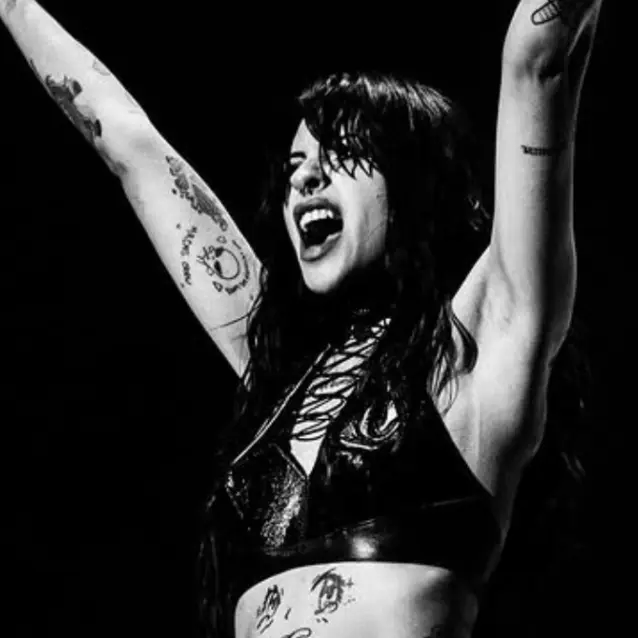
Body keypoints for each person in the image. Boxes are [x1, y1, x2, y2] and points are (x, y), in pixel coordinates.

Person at [1, 1, 605, 637]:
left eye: (341, 152)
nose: (304, 182)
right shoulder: (280, 372)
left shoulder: (478, 350)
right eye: (293, 169)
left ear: (414, 179)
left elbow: (538, 61)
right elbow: (128, 144)